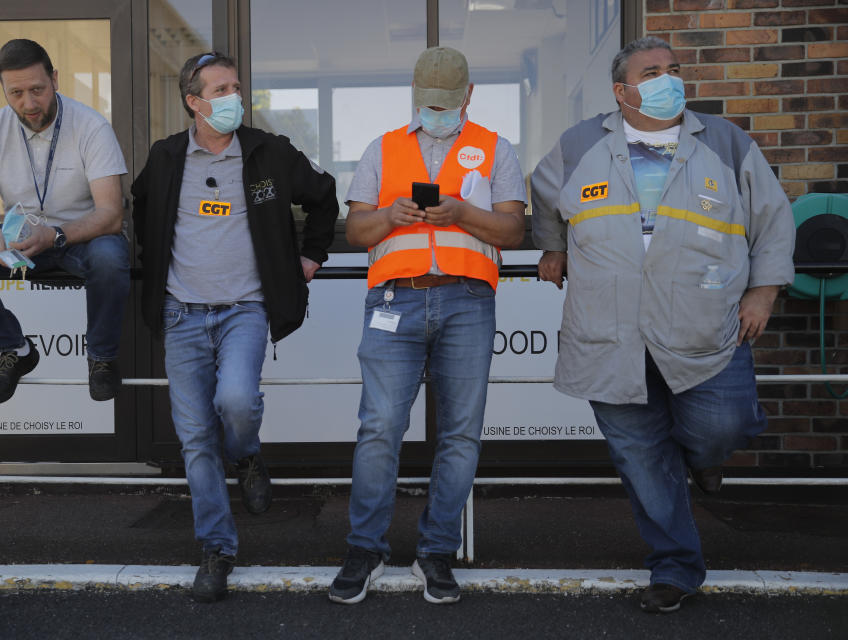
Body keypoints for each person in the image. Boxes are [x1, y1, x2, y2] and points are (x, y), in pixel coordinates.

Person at [531, 36, 795, 613]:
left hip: (707, 326)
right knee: (643, 462)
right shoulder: (580, 144)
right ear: (621, 90)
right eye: (651, 71)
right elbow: (544, 195)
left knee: (722, 426)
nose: (667, 78)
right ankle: (674, 569)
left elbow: (772, 218)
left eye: (674, 68)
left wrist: (764, 292)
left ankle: (702, 461)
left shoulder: (725, 142)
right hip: (611, 335)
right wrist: (552, 248)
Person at [131, 52, 338, 604]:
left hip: (245, 309)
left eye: (236, 87)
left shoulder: (269, 152)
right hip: (182, 314)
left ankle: (246, 455)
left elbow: (323, 197)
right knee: (196, 439)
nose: (233, 98)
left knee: (238, 402)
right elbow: (141, 212)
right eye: (219, 90)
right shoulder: (167, 156)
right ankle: (216, 549)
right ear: (193, 102)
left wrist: (312, 256)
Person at [329, 46, 526, 606]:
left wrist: (464, 214)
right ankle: (364, 549)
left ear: (468, 95)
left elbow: (512, 232)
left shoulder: (495, 148)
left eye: (446, 103)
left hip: (467, 300)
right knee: (380, 428)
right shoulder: (383, 147)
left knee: (460, 433)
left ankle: (436, 552)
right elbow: (357, 230)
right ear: (415, 96)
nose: (436, 112)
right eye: (427, 103)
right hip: (396, 299)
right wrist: (389, 215)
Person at [0, 39, 129, 404]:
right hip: (20, 241)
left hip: (77, 239)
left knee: (109, 256)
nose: (29, 103)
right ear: (4, 91)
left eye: (37, 89)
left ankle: (101, 359)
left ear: (55, 79)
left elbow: (111, 214)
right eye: (16, 93)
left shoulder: (91, 126)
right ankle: (14, 350)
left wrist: (54, 234)